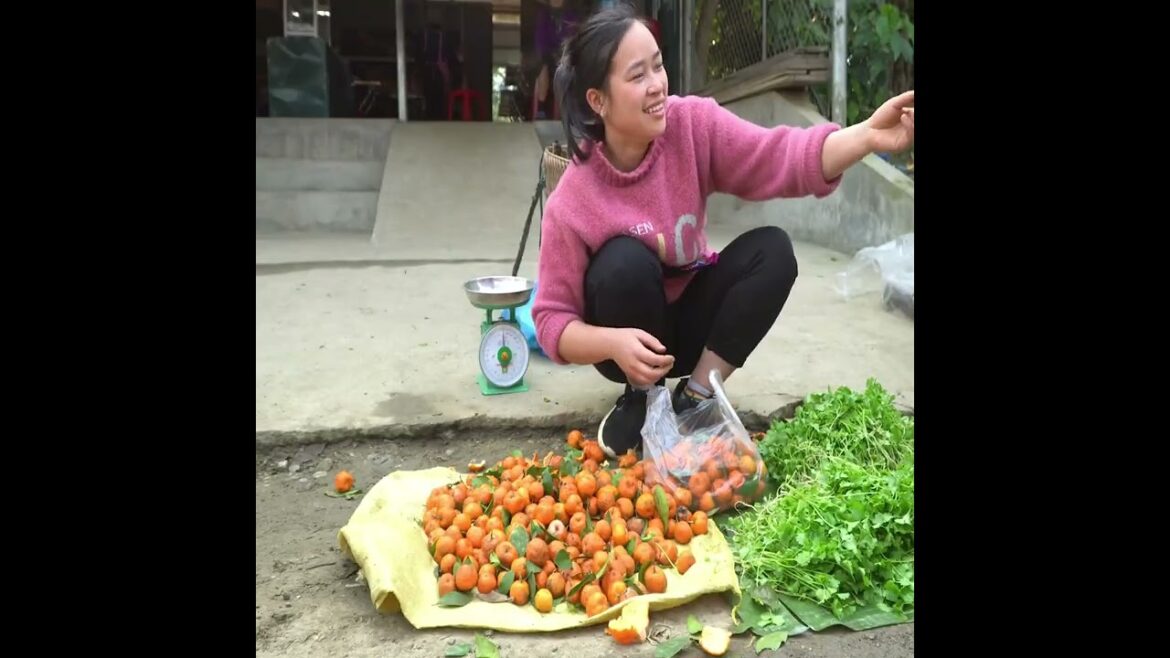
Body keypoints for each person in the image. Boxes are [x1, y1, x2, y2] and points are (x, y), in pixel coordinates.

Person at [530, 3, 915, 458]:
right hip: (625, 345)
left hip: (691, 326)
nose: (657, 85)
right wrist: (612, 342)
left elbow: (780, 156)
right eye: (637, 76)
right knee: (623, 262)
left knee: (772, 250)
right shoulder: (575, 197)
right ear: (598, 100)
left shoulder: (691, 125)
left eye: (658, 65)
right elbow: (551, 320)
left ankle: (695, 399)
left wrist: (868, 135)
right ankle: (642, 397)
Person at [533, 0, 579, 118]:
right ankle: (541, 108)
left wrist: (564, 52)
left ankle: (564, 110)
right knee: (543, 68)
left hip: (564, 52)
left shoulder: (571, 14)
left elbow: (572, 36)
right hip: (547, 52)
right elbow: (540, 36)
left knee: (567, 70)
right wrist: (546, 53)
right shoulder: (544, 13)